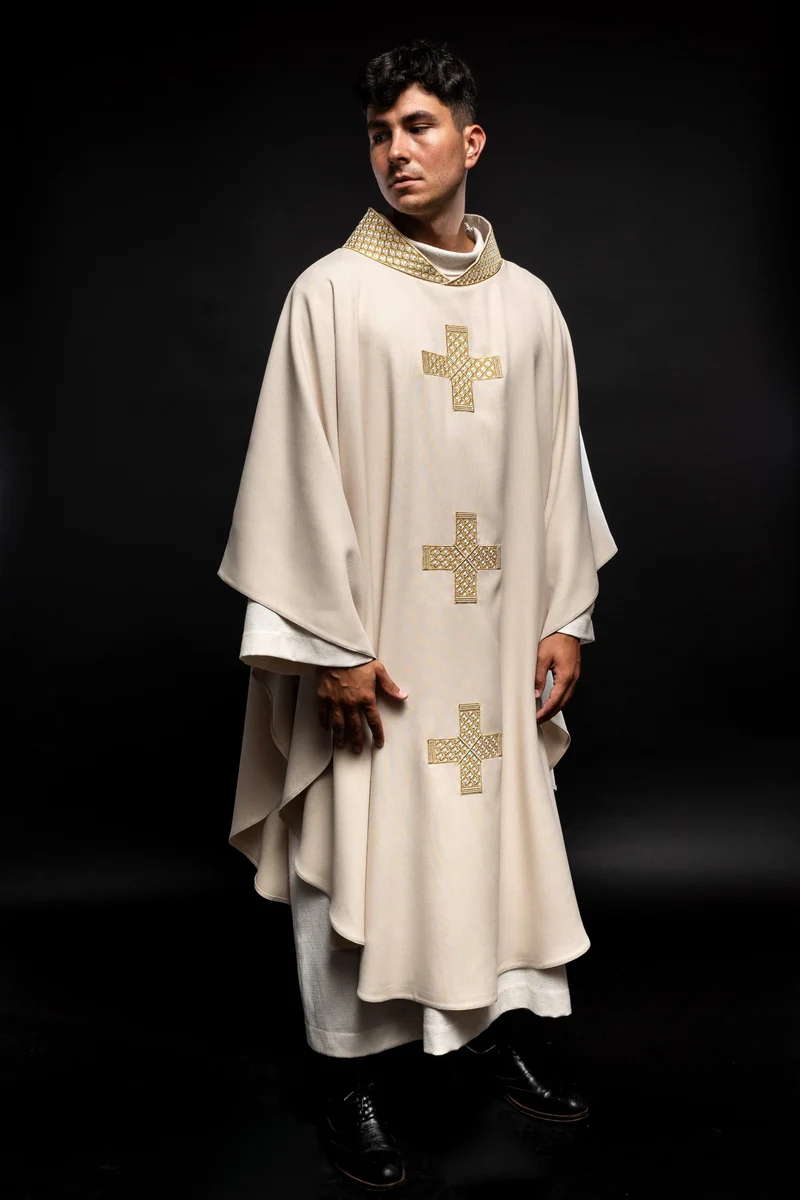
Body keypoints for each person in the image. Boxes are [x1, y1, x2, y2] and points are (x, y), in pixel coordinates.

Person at [218, 38, 618, 1191]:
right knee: (362, 838)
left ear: (469, 140)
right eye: (378, 133)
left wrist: (562, 615)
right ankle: (348, 1075)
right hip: (376, 648)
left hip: (489, 647)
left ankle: (487, 1033)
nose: (395, 151)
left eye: (418, 126)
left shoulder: (530, 307)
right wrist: (328, 645)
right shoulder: (329, 294)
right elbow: (292, 480)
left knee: (484, 839)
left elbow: (558, 473)